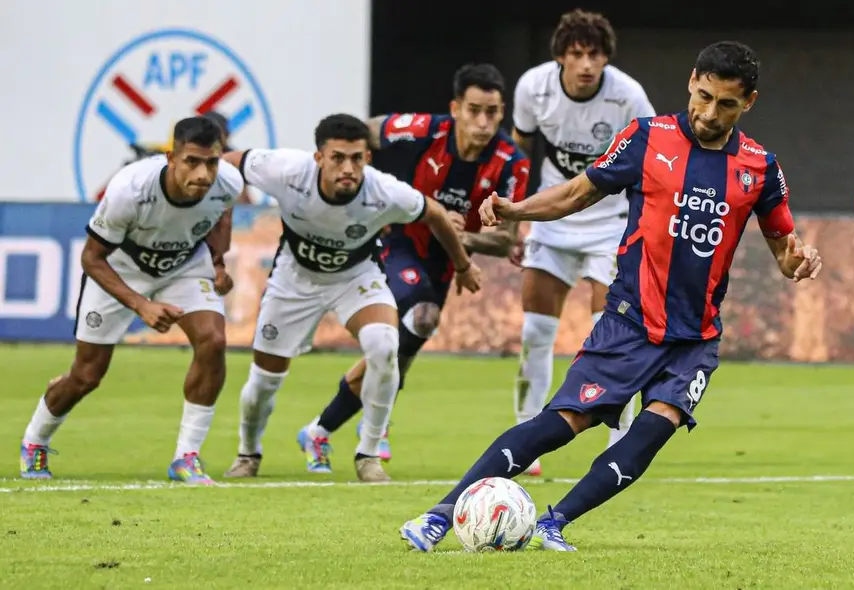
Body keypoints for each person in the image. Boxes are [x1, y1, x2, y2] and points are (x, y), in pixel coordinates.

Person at [399, 41, 823, 552]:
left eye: (726, 104)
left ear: (748, 102)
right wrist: (516, 211)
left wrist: (798, 262)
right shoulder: (648, 138)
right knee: (560, 424)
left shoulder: (760, 167)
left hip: (696, 337)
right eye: (704, 96)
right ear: (692, 80)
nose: (709, 113)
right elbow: (578, 192)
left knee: (652, 429)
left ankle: (554, 522)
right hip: (629, 322)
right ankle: (438, 517)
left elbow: (785, 248)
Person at [221, 114, 481, 482]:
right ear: (318, 158)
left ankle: (369, 455)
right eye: (338, 158)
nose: (348, 168)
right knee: (264, 380)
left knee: (384, 344)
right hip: (294, 279)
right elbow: (230, 163)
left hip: (355, 276)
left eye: (357, 158)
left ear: (367, 159)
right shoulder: (284, 170)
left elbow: (436, 214)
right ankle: (248, 454)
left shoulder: (383, 190)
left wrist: (464, 265)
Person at [301, 63, 530, 465]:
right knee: (414, 321)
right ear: (455, 108)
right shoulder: (425, 130)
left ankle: (320, 429)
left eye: (492, 112)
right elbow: (365, 129)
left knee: (400, 352)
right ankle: (373, 422)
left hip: (446, 260)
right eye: (474, 110)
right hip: (399, 240)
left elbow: (506, 240)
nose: (482, 122)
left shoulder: (512, 162)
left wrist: (463, 238)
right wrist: (356, 178)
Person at [19, 117, 242, 485]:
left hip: (182, 266)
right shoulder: (131, 189)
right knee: (86, 376)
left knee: (214, 341)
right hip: (122, 268)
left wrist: (217, 261)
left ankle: (186, 457)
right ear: (171, 157)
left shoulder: (228, 183)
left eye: (212, 163)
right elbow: (92, 258)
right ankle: (34, 441)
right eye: (192, 162)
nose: (203, 174)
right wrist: (141, 304)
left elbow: (222, 212)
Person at [510, 9, 656, 476]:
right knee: (535, 333)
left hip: (609, 224)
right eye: (577, 54)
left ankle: (619, 441)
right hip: (553, 222)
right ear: (560, 57)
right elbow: (519, 153)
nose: (587, 64)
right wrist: (513, 221)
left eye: (595, 54)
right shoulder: (533, 88)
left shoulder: (628, 96)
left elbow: (655, 162)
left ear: (606, 59)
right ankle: (526, 430)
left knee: (610, 335)